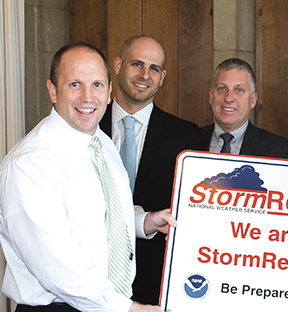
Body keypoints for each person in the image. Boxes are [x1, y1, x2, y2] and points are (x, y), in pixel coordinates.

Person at [0, 42, 175, 312]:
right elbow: (56, 265)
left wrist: (145, 221)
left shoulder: (101, 142)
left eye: (96, 85)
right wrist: (128, 308)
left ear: (108, 92)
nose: (87, 97)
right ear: (52, 91)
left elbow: (101, 214)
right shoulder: (30, 164)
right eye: (74, 84)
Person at [99, 35, 201, 304]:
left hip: (155, 283)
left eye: (154, 68)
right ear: (118, 65)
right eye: (137, 64)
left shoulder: (185, 136)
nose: (145, 75)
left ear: (163, 76)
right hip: (91, 274)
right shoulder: (88, 124)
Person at [199, 58, 288, 160]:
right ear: (211, 97)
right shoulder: (188, 142)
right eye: (222, 88)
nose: (229, 98)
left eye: (239, 90)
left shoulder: (282, 152)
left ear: (252, 100)